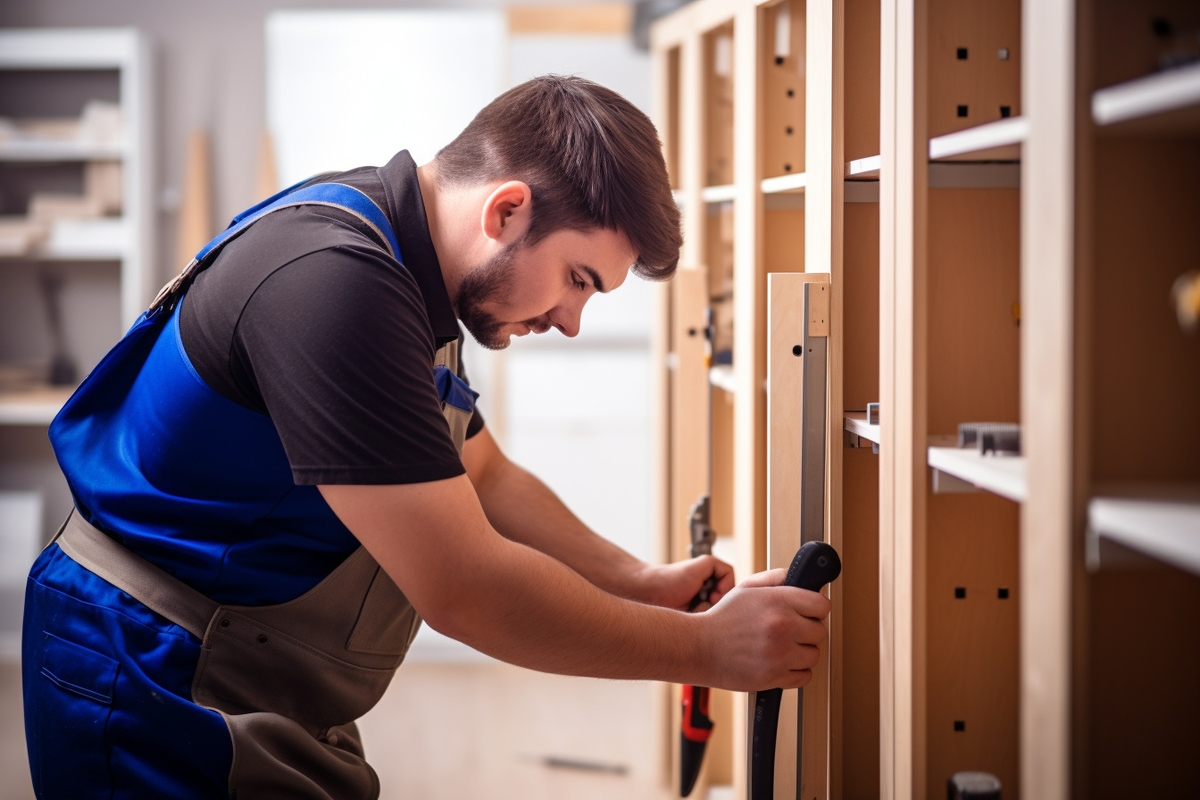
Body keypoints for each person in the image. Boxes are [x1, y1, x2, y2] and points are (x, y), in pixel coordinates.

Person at [22, 76, 831, 799]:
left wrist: (643, 583)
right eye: (578, 279)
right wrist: (703, 651)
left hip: (243, 662)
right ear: (507, 210)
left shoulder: (407, 270)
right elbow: (465, 590)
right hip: (152, 671)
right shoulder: (335, 282)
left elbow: (483, 474)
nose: (571, 321)